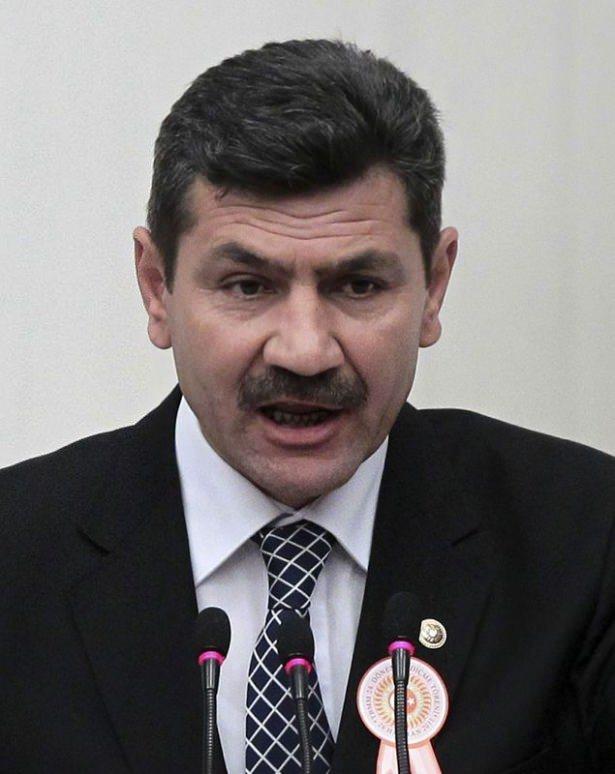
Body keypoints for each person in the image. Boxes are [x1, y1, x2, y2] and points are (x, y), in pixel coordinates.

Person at [1, 38, 614, 774]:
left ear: (433, 287)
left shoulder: (585, 541)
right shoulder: (15, 555)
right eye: (247, 286)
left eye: (358, 286)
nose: (305, 350)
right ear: (157, 288)